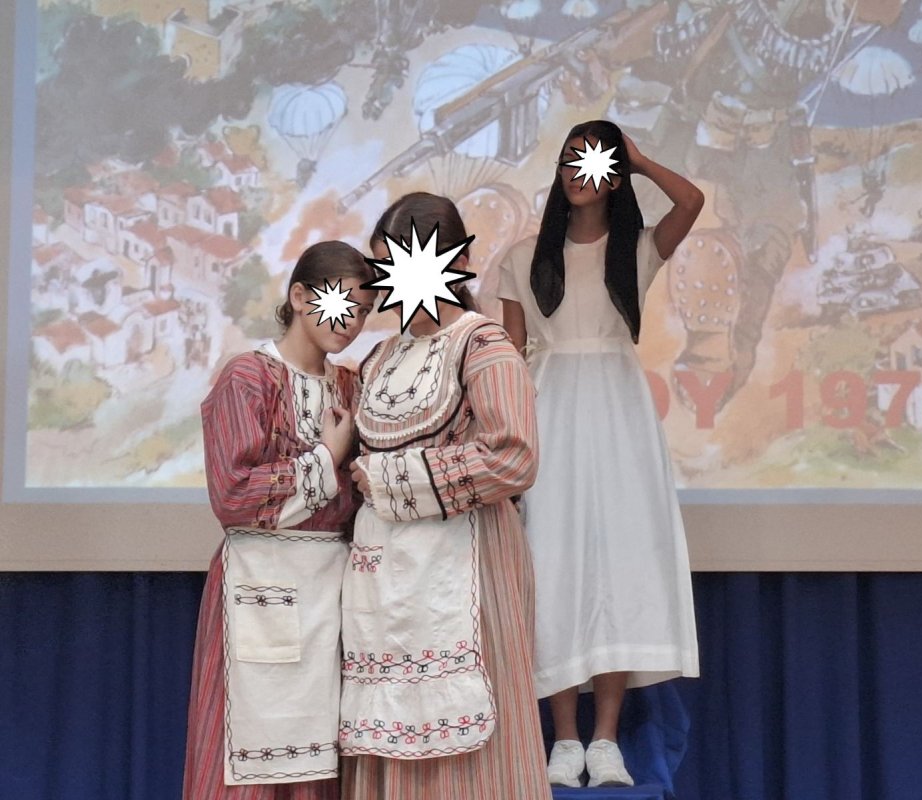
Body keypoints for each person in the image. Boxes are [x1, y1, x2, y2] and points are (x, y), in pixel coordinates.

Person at [498, 120, 703, 787]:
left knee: (616, 563)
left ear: (613, 177)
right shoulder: (522, 257)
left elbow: (692, 201)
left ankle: (606, 738)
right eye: (569, 160)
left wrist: (638, 159)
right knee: (554, 562)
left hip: (619, 412)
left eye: (592, 162)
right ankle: (563, 738)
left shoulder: (636, 250)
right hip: (550, 406)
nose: (576, 172)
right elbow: (509, 357)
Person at [339, 192, 551, 800]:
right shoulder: (380, 357)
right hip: (386, 582)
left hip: (467, 567)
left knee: (467, 732)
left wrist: (394, 480)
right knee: (392, 722)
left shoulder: (482, 346)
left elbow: (513, 456)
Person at [183, 241, 376, 800]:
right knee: (247, 758)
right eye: (341, 303)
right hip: (258, 581)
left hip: (332, 593)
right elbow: (234, 495)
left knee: (321, 763)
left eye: (363, 310)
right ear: (298, 296)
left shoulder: (351, 387)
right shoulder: (247, 378)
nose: (351, 321)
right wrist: (327, 457)